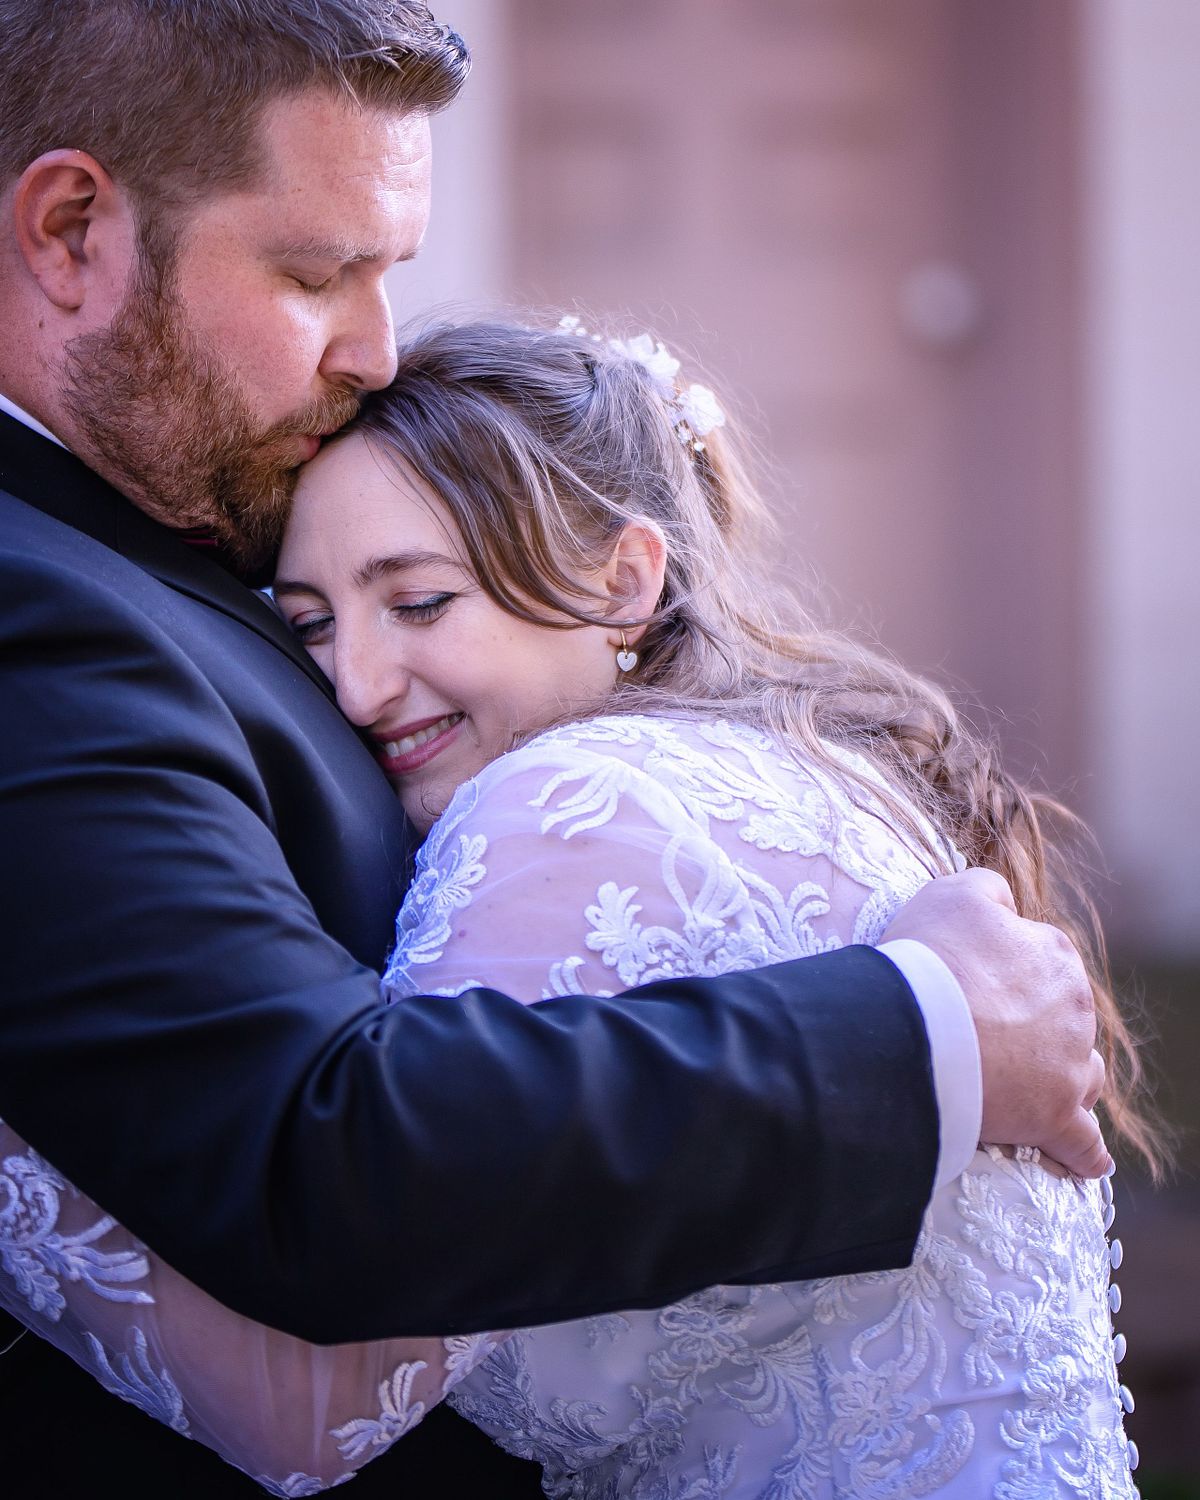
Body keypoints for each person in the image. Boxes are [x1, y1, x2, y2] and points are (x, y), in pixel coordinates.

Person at [0, 2, 1106, 1496]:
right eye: (318, 273)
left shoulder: (202, 523)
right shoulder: (38, 606)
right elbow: (318, 1165)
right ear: (68, 231)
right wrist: (922, 1038)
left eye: (389, 273)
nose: (377, 348)